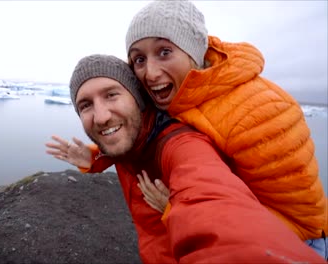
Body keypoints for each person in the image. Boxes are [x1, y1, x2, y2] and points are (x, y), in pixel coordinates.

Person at [48, 0, 328, 258]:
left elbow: (266, 217)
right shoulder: (179, 97)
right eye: (139, 60)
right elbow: (143, 133)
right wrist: (99, 156)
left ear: (194, 51)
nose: (151, 72)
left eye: (165, 52)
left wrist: (178, 207)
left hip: (298, 238)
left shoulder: (259, 111)